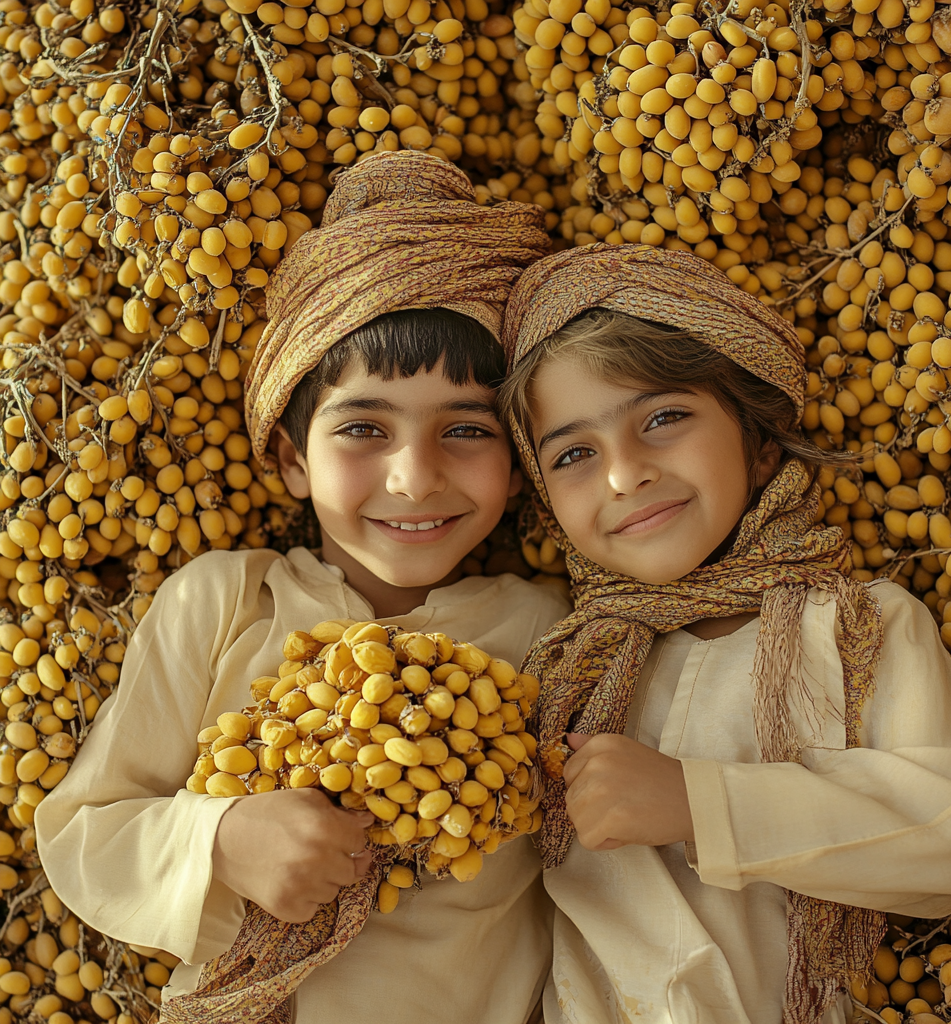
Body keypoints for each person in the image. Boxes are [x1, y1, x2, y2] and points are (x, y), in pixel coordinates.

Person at [36, 151, 567, 1024]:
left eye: (465, 430)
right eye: (363, 428)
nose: (413, 479)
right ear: (289, 458)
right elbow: (85, 831)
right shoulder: (222, 603)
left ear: (518, 468)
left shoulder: (551, 632)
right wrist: (220, 839)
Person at [498, 243, 951, 1024]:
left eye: (664, 417)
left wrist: (701, 805)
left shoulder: (856, 625)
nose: (623, 474)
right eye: (574, 454)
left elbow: (944, 838)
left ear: (760, 440)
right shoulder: (564, 669)